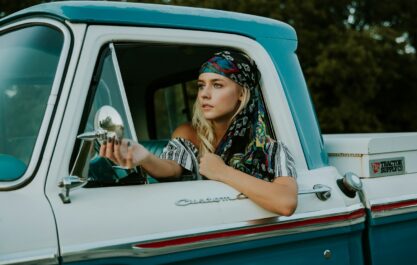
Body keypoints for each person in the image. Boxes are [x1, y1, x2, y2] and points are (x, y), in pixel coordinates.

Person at [100, 50, 298, 216]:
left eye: (217, 85)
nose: (204, 94)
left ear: (241, 93)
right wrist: (143, 156)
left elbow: (286, 203)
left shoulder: (270, 148)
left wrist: (223, 172)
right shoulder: (189, 133)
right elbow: (171, 169)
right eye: (202, 85)